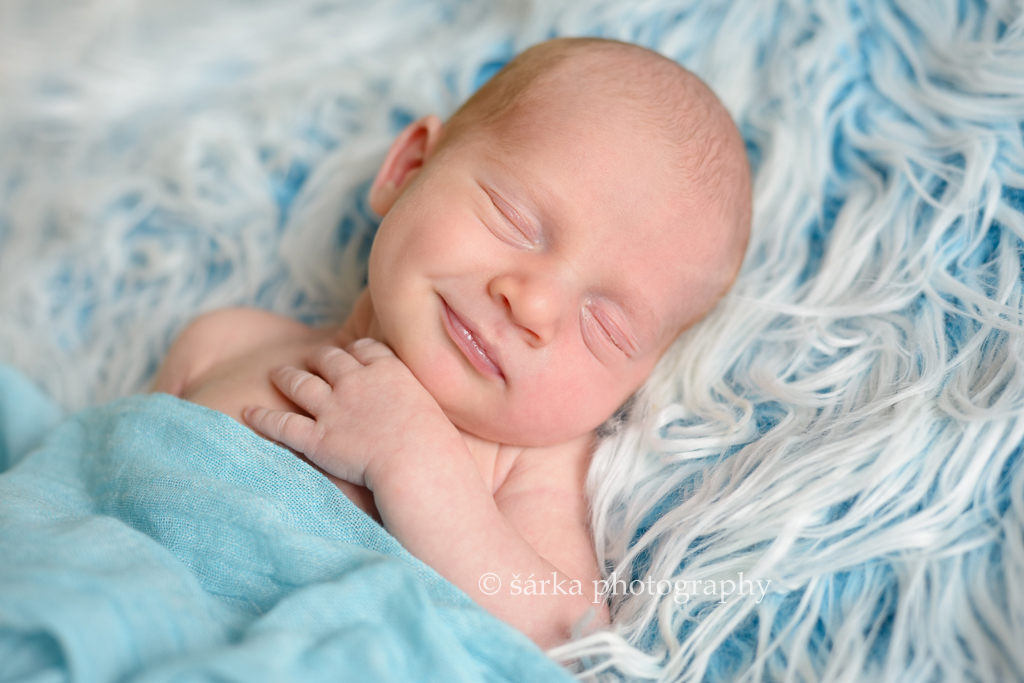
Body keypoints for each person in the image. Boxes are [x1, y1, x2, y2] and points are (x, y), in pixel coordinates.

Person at [152, 36, 751, 648]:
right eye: (513, 218)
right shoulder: (224, 343)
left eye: (607, 327)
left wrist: (419, 470)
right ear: (408, 169)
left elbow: (561, 634)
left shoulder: (524, 467)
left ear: (637, 379)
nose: (535, 304)